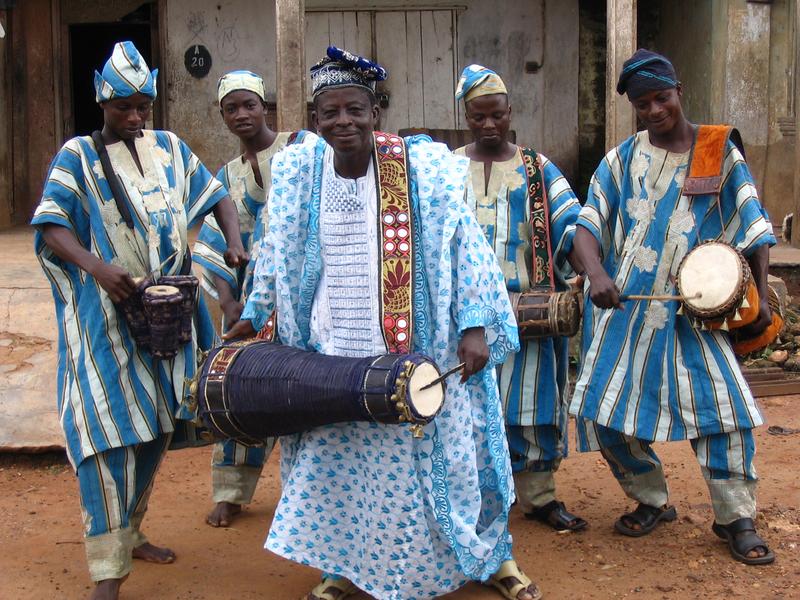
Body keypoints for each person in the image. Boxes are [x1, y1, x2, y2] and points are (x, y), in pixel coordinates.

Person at [225, 46, 541, 600]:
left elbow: (465, 241)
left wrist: (473, 326)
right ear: (315, 118)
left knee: (450, 461)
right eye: (330, 113)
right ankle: (342, 568)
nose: (343, 122)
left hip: (423, 346)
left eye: (355, 110)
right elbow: (274, 250)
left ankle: (492, 557)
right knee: (342, 466)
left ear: (376, 113)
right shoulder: (301, 170)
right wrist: (255, 315)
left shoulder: (422, 165)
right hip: (330, 351)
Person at [31, 42, 247, 600]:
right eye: (123, 107)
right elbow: (52, 225)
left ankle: (130, 533)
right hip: (103, 321)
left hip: (170, 319)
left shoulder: (170, 148)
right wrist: (97, 267)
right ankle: (107, 572)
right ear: (102, 101)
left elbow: (216, 196)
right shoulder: (76, 155)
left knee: (156, 428)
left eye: (142, 107)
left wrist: (237, 242)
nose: (134, 117)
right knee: (106, 434)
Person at [570, 49, 775, 565]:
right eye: (643, 103)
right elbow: (586, 229)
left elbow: (754, 227)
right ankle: (651, 499)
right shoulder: (618, 160)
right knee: (606, 415)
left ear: (678, 90)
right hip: (623, 314)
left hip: (696, 316)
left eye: (661, 97)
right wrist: (596, 275)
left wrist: (762, 298)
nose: (654, 109)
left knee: (725, 414)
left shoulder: (716, 151)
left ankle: (736, 518)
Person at [455, 65, 586, 532]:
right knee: (465, 411)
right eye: (478, 116)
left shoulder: (537, 168)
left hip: (526, 311)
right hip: (464, 314)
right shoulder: (448, 169)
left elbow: (571, 225)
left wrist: (589, 271)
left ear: (510, 112)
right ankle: (473, 498)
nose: (488, 125)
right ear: (465, 116)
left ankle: (539, 498)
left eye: (496, 115)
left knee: (531, 408)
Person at [194, 70, 307, 528]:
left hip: (300, 300)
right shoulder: (224, 177)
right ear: (222, 115)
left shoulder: (300, 149)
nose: (242, 114)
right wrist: (227, 300)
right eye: (231, 108)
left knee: (305, 393)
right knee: (237, 391)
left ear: (266, 107)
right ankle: (231, 491)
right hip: (247, 307)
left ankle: (305, 496)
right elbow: (211, 239)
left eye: (250, 105)